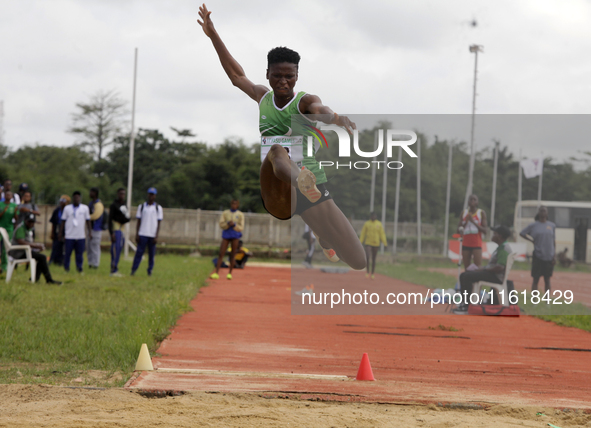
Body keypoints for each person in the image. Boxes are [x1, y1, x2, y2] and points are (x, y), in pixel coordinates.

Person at [198, 4, 366, 271]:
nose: (283, 81)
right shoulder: (262, 97)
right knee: (277, 149)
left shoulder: (305, 101)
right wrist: (213, 34)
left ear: (297, 76)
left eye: (289, 76)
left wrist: (334, 118)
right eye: (277, 76)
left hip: (313, 187)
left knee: (358, 261)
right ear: (268, 75)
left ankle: (323, 234)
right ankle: (299, 179)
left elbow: (320, 110)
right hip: (278, 187)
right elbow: (235, 75)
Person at [453, 225, 513, 315]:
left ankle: (466, 306)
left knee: (466, 276)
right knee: (465, 275)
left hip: (496, 277)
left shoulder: (504, 249)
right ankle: (465, 304)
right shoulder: (501, 247)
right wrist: (481, 269)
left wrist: (483, 269)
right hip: (493, 274)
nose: (492, 235)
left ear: (500, 236)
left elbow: (500, 267)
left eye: (495, 233)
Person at [11, 214, 62, 284]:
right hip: (18, 253)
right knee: (42, 257)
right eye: (29, 222)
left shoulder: (27, 229)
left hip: (24, 251)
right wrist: (36, 246)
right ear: (25, 221)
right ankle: (48, 280)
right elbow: (21, 241)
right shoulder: (21, 228)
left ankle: (35, 279)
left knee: (41, 258)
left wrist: (37, 247)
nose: (31, 224)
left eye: (33, 222)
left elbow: (28, 242)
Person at [520, 206, 556, 294]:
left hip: (548, 256)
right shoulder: (533, 225)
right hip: (538, 255)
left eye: (545, 211)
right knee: (536, 279)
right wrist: (532, 240)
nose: (543, 212)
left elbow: (553, 241)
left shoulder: (551, 225)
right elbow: (522, 233)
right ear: (538, 213)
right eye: (541, 211)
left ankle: (547, 301)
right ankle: (534, 300)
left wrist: (554, 255)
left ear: (547, 213)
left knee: (547, 280)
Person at [131, 187, 163, 276]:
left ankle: (150, 270)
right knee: (139, 253)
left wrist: (156, 236)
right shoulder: (141, 207)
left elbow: (159, 223)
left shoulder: (158, 208)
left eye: (152, 195)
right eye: (149, 194)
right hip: (142, 234)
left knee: (151, 255)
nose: (151, 196)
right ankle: (133, 270)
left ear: (155, 196)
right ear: (147, 195)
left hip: (152, 235)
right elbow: (138, 221)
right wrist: (137, 234)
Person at [211, 199, 244, 280]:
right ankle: (216, 273)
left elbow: (241, 227)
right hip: (226, 234)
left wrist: (234, 225)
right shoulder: (225, 213)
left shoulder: (240, 214)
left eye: (235, 204)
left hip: (235, 234)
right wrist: (228, 224)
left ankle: (230, 273)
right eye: (232, 203)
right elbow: (221, 224)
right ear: (230, 204)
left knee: (233, 254)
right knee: (221, 253)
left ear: (238, 205)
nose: (234, 205)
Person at [60, 191, 91, 273]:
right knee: (67, 254)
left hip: (80, 236)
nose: (76, 199)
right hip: (69, 235)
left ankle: (79, 268)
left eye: (78, 197)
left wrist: (90, 232)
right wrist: (60, 233)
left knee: (79, 254)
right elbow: (63, 221)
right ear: (73, 198)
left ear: (80, 198)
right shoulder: (67, 208)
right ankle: (66, 268)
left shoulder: (85, 208)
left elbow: (88, 221)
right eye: (75, 197)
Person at [457, 194, 488, 270]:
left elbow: (485, 230)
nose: (472, 201)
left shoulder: (481, 213)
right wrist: (466, 222)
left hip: (476, 244)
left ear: (478, 202)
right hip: (465, 243)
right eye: (471, 199)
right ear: (468, 202)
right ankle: (467, 281)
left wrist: (473, 221)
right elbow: (458, 230)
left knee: (477, 267)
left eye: (475, 200)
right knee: (467, 268)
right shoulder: (464, 213)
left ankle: (477, 282)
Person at [109, 188, 131, 276]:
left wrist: (122, 220)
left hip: (122, 229)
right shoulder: (114, 205)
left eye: (124, 194)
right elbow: (110, 219)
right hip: (116, 229)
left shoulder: (124, 205)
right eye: (121, 194)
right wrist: (111, 233)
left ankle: (115, 267)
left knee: (119, 248)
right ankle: (113, 269)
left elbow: (127, 218)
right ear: (118, 194)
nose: (122, 196)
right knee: (115, 249)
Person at [359, 212, 388, 279]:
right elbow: (363, 233)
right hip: (368, 243)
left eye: (374, 216)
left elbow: (382, 234)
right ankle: (367, 271)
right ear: (370, 217)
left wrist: (385, 243)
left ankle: (372, 273)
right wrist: (360, 242)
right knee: (368, 256)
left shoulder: (379, 224)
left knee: (374, 258)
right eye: (372, 216)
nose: (373, 217)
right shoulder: (367, 224)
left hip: (376, 243)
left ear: (376, 216)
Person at [0, 190, 19, 274]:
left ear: (12, 197)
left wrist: (15, 212)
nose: (8, 196)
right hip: (0, 227)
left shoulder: (14, 206)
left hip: (9, 228)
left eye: (10, 195)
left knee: (6, 247)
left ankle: (4, 266)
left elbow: (16, 218)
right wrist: (4, 211)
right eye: (7, 194)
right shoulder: (1, 204)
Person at [49, 194, 70, 266]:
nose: (61, 202)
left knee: (63, 248)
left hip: (66, 230)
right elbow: (53, 222)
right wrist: (52, 233)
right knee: (55, 246)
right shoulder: (57, 210)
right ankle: (52, 260)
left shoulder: (68, 210)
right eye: (60, 200)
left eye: (63, 200)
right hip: (57, 229)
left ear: (67, 202)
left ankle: (61, 262)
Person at [87, 187, 105, 269]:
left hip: (96, 229)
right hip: (90, 229)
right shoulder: (91, 203)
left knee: (95, 247)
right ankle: (90, 262)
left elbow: (95, 216)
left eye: (91, 192)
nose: (89, 193)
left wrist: (86, 217)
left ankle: (95, 264)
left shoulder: (99, 204)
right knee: (89, 247)